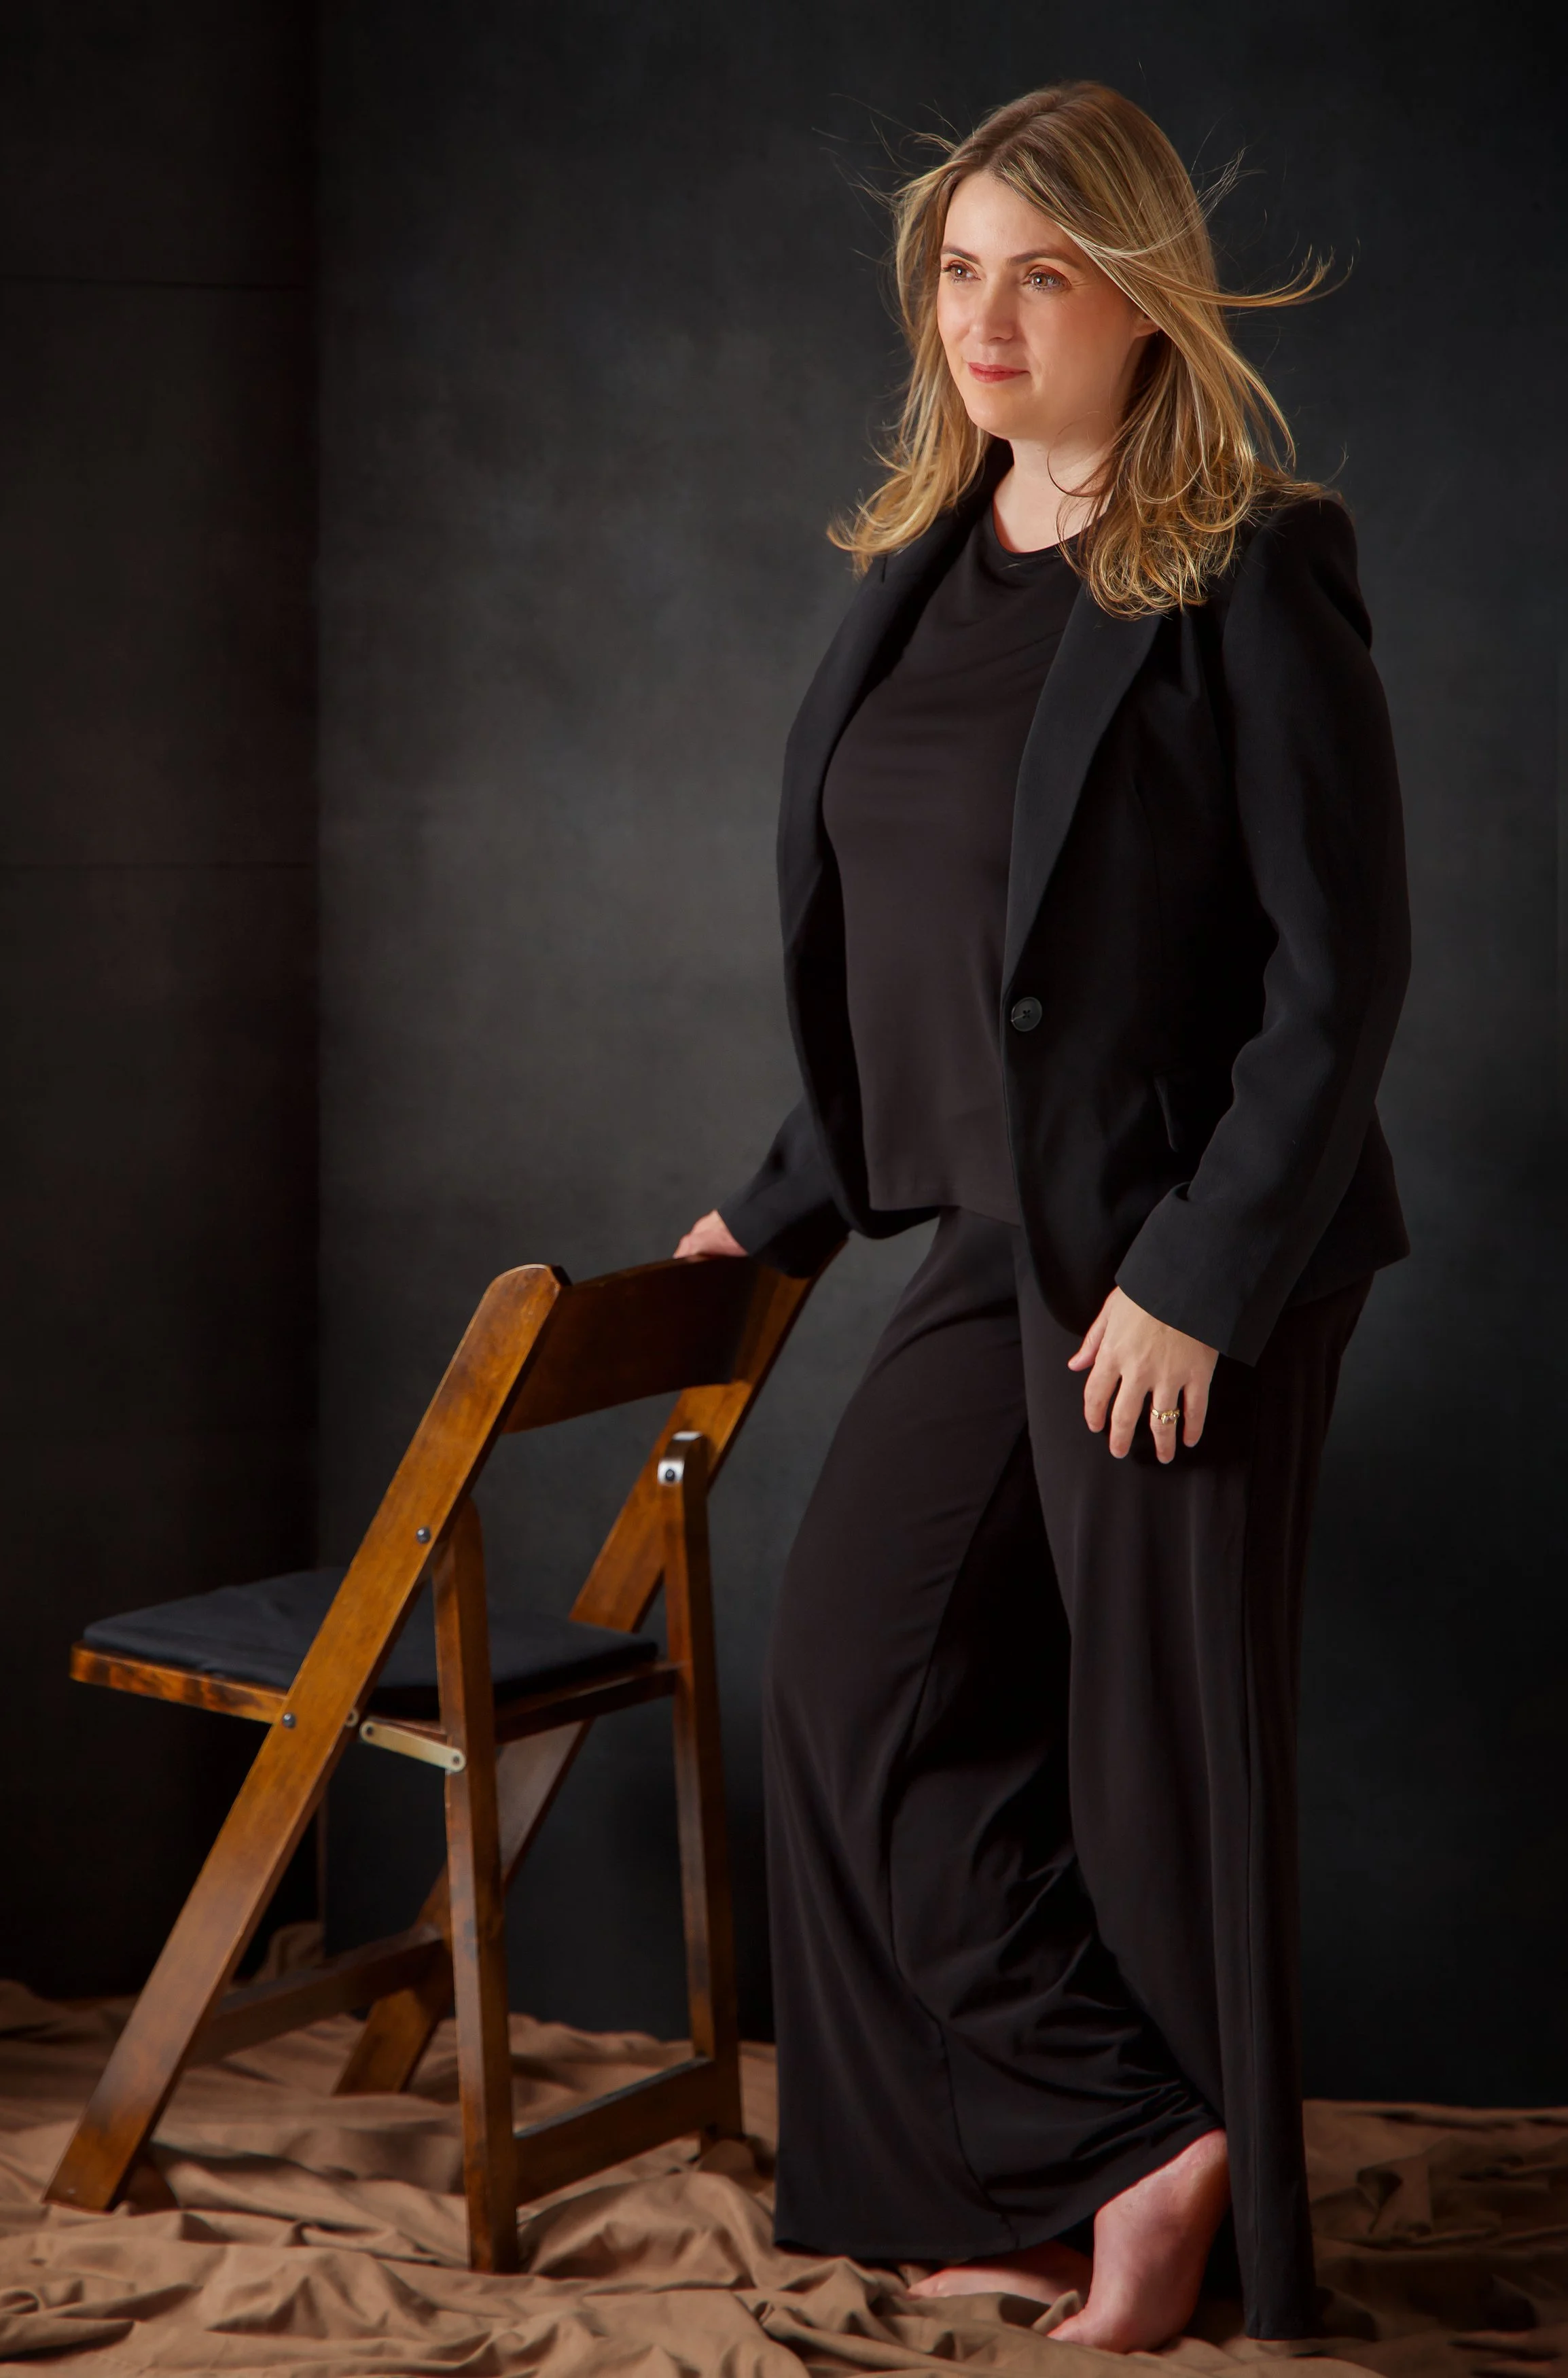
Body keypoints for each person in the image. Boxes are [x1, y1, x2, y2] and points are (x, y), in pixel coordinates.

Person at [674, 82, 1409, 2353]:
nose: (984, 315)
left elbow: (1338, 968)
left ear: (1138, 297)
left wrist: (1201, 1276)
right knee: (865, 1693)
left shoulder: (1246, 559)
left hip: (1185, 1264)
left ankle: (1161, 2166)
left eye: (1041, 272)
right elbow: (912, 967)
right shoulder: (925, 555)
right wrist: (770, 1213)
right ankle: (1033, 2161)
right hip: (987, 1237)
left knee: (1132, 1753)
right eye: (956, 269)